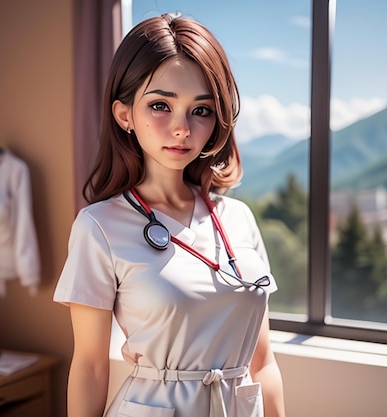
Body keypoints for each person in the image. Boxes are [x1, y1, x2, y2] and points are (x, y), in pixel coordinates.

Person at [54, 13, 285, 417]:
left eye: (201, 110)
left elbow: (262, 362)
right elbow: (90, 367)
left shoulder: (239, 218)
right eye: (161, 105)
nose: (182, 129)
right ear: (124, 114)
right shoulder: (99, 227)